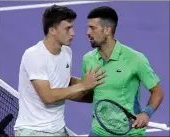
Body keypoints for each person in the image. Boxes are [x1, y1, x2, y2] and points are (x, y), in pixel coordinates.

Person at [14, 4, 106, 136]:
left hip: (58, 129)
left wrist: (97, 92)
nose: (73, 33)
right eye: (67, 29)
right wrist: (83, 85)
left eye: (72, 27)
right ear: (52, 30)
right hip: (33, 131)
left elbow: (64, 83)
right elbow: (48, 96)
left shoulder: (66, 52)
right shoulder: (34, 55)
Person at [81, 6, 164, 136]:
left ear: (107, 30)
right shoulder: (88, 59)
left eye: (92, 28)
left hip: (129, 132)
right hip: (98, 131)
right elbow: (90, 93)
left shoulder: (135, 59)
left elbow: (157, 92)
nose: (87, 32)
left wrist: (146, 113)